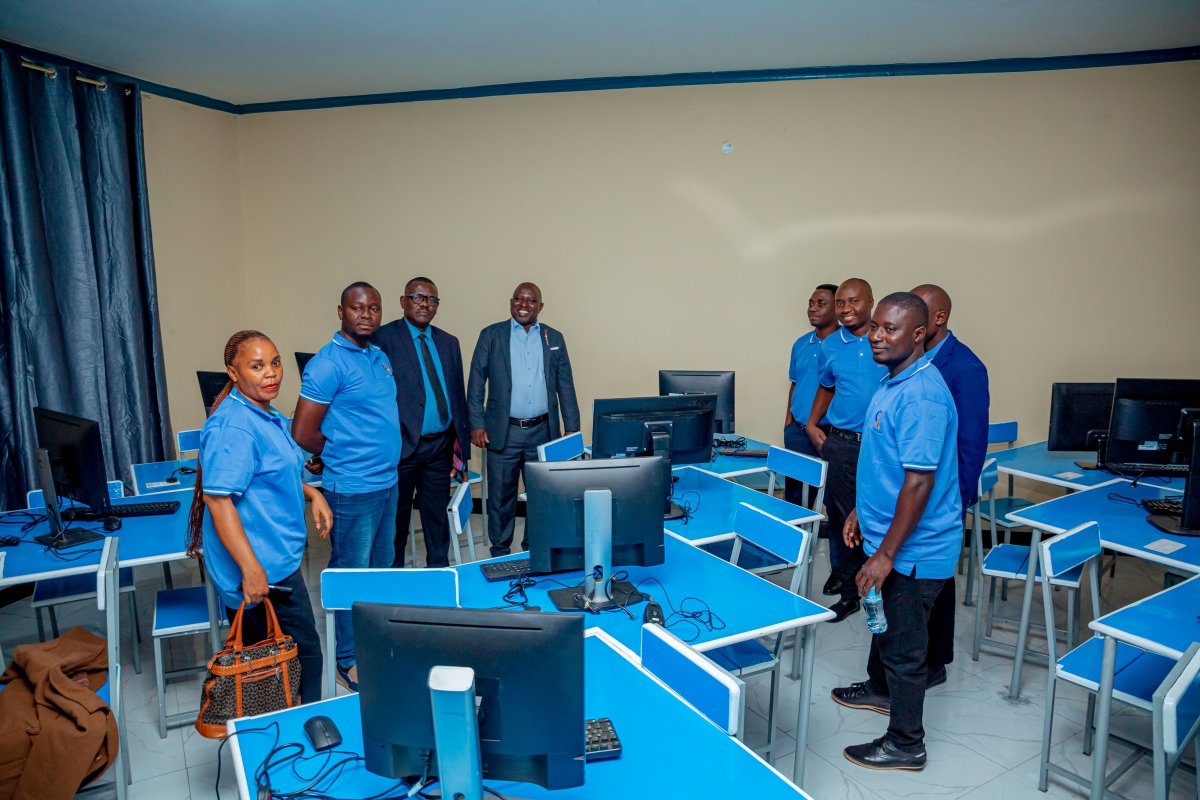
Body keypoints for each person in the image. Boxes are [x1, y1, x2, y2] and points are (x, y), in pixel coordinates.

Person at [832, 292, 963, 772]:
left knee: (906, 653)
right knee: (888, 635)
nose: (878, 336)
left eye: (891, 329)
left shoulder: (923, 393)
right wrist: (860, 515)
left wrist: (884, 554)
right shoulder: (894, 382)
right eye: (876, 327)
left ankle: (906, 744)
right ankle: (880, 693)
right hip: (888, 535)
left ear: (919, 334)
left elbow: (919, 481)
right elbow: (884, 465)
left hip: (914, 550)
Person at [187, 330, 332, 705]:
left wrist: (310, 491)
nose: (271, 373)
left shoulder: (262, 411)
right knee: (297, 656)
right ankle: (298, 728)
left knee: (276, 661)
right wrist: (251, 570)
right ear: (232, 373)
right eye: (257, 366)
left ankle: (281, 720)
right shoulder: (234, 428)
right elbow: (218, 502)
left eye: (275, 362)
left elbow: (270, 469)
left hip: (273, 557)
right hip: (260, 567)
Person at [292, 282, 401, 691]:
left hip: (388, 482)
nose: (366, 314)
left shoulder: (379, 356)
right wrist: (339, 453)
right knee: (352, 574)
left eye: (374, 308)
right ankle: (349, 660)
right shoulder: (327, 363)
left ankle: (375, 642)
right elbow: (303, 431)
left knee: (380, 571)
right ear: (341, 311)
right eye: (358, 308)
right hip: (353, 488)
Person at [911, 284, 990, 688]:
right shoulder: (914, 358)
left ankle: (935, 661)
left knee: (937, 581)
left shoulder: (965, 366)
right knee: (918, 580)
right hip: (916, 489)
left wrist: (954, 500)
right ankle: (914, 654)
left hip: (943, 495)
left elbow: (972, 443)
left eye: (917, 310)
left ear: (939, 318)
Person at [467, 282, 580, 557]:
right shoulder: (492, 335)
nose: (523, 305)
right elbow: (476, 383)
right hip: (503, 431)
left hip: (544, 431)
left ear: (540, 307)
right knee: (500, 497)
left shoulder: (554, 338)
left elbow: (565, 385)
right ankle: (500, 551)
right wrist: (477, 423)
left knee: (541, 496)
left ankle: (534, 549)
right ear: (510, 302)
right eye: (518, 299)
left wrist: (572, 428)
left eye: (531, 301)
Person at [372, 277, 472, 568]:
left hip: (439, 448)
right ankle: (396, 581)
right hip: (401, 447)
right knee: (396, 522)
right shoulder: (383, 339)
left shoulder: (448, 343)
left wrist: (460, 452)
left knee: (436, 519)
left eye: (432, 300)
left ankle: (437, 575)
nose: (425, 304)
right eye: (418, 297)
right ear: (403, 301)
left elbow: (457, 398)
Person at [805, 278, 887, 619]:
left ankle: (880, 588)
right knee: (841, 520)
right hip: (842, 443)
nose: (846, 309)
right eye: (840, 303)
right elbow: (826, 386)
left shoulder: (884, 340)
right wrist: (811, 423)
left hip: (880, 447)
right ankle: (852, 593)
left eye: (854, 301)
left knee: (875, 517)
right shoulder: (830, 346)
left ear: (870, 301)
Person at [784, 284, 839, 505]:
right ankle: (800, 540)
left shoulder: (845, 345)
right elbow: (794, 385)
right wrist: (788, 424)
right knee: (796, 500)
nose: (812, 309)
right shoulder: (800, 344)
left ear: (837, 308)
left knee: (833, 498)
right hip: (798, 433)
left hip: (831, 434)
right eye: (810, 303)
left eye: (821, 304)